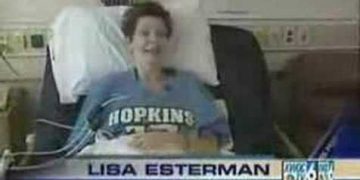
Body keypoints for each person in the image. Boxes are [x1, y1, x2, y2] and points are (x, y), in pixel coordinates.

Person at [67, 2, 231, 155]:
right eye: (145, 33)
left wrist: (182, 143)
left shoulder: (189, 85)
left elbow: (217, 144)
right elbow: (77, 150)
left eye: (161, 34)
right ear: (130, 43)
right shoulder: (107, 87)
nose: (153, 39)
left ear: (168, 43)